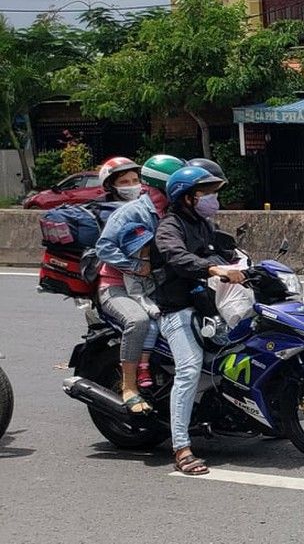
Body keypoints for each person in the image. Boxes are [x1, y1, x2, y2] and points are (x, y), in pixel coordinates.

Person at [155, 165, 244, 475]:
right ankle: (181, 448)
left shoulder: (204, 224)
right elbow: (176, 256)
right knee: (190, 368)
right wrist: (212, 269)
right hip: (178, 311)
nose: (213, 198)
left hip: (208, 305)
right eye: (207, 193)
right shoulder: (170, 227)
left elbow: (220, 250)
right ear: (189, 198)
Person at [94, 155, 184, 413]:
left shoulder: (175, 212)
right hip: (116, 286)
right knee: (139, 322)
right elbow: (104, 247)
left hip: (153, 287)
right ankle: (129, 387)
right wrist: (135, 267)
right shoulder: (132, 211)